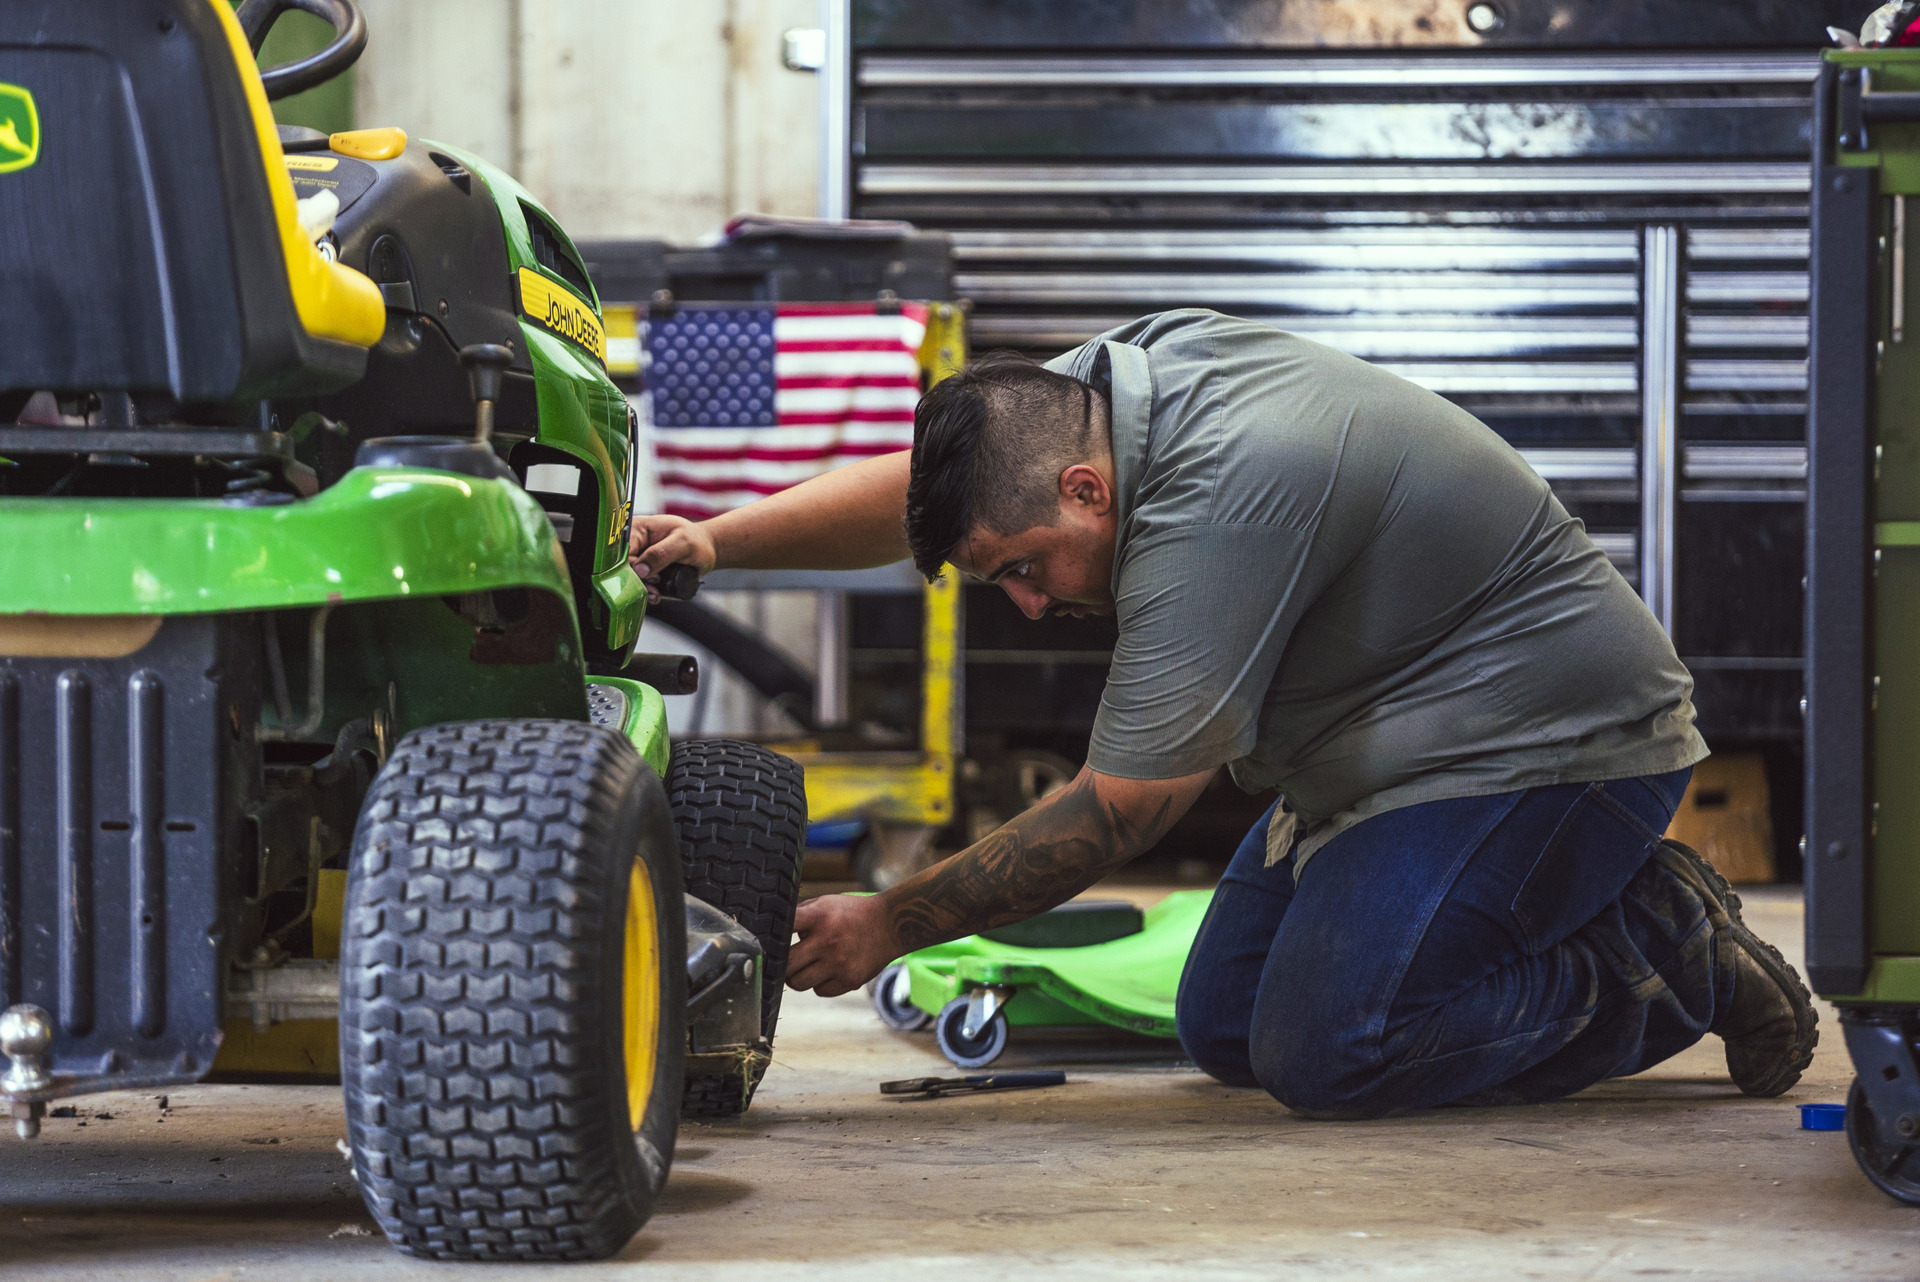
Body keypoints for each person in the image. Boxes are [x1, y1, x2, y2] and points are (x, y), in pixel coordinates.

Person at [629, 308, 1817, 1117]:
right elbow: (933, 488)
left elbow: (1119, 811)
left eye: (1026, 570)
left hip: (1547, 750)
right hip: (1379, 752)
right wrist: (723, 539)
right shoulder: (1092, 402)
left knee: (1329, 1054)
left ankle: (1656, 947)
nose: (1032, 606)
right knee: (1230, 1030)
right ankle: (1604, 929)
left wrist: (894, 919)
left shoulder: (1213, 507)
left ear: (1087, 492)